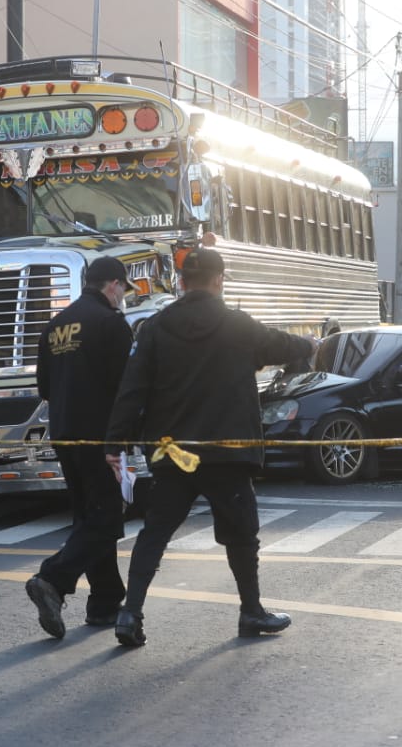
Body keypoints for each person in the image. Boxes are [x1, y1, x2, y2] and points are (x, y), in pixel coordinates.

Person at [104, 248, 315, 647]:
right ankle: (251, 612)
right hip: (227, 452)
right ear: (220, 280)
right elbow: (281, 345)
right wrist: (308, 344)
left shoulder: (155, 327)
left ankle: (130, 613)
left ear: (181, 282)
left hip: (173, 453)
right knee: (241, 536)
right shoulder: (238, 325)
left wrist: (115, 443)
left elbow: (132, 390)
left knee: (155, 534)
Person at [24, 256, 135, 639]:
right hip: (100, 436)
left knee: (90, 517)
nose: (123, 297)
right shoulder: (111, 325)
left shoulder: (54, 325)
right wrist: (122, 440)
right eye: (123, 289)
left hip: (65, 433)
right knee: (105, 520)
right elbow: (127, 389)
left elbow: (44, 389)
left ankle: (104, 602)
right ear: (113, 285)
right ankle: (52, 579)